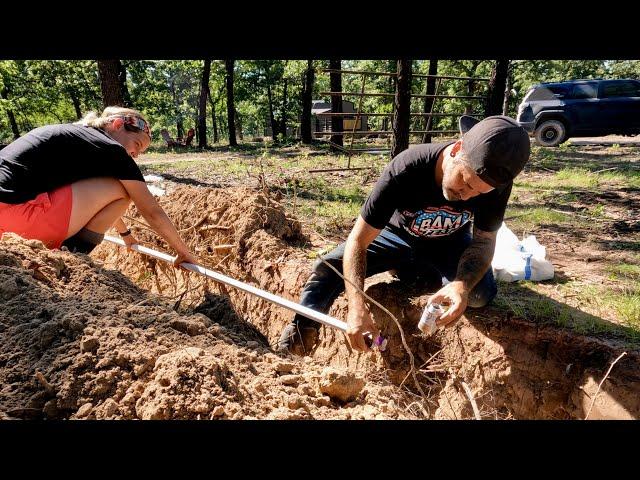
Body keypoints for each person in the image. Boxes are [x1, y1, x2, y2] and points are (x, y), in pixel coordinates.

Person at [276, 115, 531, 355]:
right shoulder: (407, 167)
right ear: (456, 149)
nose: (467, 195)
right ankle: (301, 331)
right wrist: (356, 306)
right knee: (329, 267)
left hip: (450, 243)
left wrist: (461, 287)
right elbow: (358, 241)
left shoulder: (495, 187)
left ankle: (421, 273)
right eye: (464, 181)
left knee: (479, 295)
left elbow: (485, 241)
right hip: (396, 237)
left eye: (478, 192)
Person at [0, 106, 198, 267]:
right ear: (118, 124)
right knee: (124, 190)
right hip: (17, 218)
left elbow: (98, 200)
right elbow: (151, 211)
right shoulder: (113, 150)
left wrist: (126, 235)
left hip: (5, 218)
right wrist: (183, 253)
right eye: (137, 144)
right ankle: (70, 258)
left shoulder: (81, 137)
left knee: (116, 185)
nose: (135, 154)